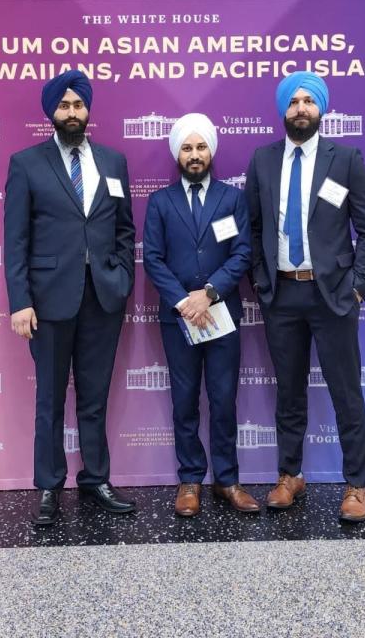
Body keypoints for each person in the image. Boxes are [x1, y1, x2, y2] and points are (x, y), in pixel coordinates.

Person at [245, 72, 365, 522]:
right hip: (282, 294)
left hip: (332, 296)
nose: (300, 108)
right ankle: (290, 475)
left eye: (308, 101)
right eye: (293, 102)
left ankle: (356, 486)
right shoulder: (262, 161)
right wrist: (263, 283)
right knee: (289, 392)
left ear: (321, 109)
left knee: (345, 392)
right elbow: (254, 229)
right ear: (282, 110)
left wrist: (358, 286)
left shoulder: (345, 159)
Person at [4, 70, 136, 526]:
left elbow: (124, 230)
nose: (72, 112)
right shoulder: (26, 164)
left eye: (78, 105)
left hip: (102, 298)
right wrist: (20, 301)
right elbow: (15, 240)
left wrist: (120, 280)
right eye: (64, 106)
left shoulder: (114, 162)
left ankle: (96, 478)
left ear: (88, 110)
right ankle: (48, 485)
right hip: (48, 301)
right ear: (51, 113)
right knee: (50, 398)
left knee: (95, 396)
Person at [142, 113, 259, 517]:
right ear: (178, 153)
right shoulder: (160, 202)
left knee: (224, 399)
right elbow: (153, 259)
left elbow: (243, 252)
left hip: (221, 314)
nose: (195, 155)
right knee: (185, 400)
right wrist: (184, 301)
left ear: (212, 151)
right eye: (187, 148)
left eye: (201, 146)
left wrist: (208, 294)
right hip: (179, 319)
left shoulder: (233, 199)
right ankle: (190, 479)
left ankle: (227, 480)